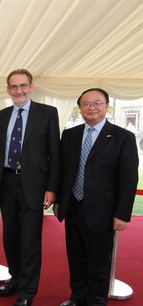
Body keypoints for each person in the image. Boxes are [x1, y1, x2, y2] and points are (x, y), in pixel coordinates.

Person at [54, 88, 138, 306]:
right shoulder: (70, 135)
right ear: (80, 108)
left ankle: (96, 301)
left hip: (103, 211)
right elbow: (63, 171)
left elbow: (128, 180)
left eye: (97, 103)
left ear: (106, 106)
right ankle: (77, 297)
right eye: (86, 103)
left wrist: (122, 214)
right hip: (73, 207)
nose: (91, 107)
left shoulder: (123, 137)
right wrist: (59, 201)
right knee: (76, 257)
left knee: (99, 262)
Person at [0, 69, 60, 306]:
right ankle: (16, 280)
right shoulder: (0, 117)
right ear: (8, 89)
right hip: (6, 183)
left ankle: (28, 292)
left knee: (30, 240)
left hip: (34, 186)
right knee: (10, 238)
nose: (18, 90)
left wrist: (52, 188)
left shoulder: (48, 114)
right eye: (13, 86)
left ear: (31, 86)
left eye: (22, 86)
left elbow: (55, 154)